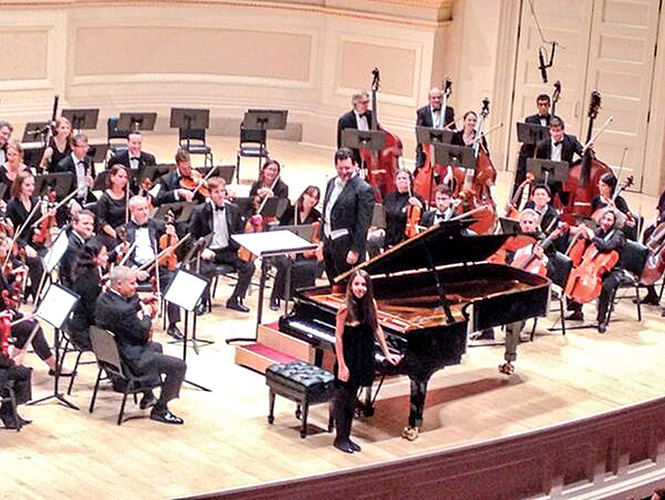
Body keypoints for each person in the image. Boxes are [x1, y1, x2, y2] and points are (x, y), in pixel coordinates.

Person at [95, 266, 187, 425]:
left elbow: (124, 308)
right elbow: (143, 333)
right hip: (129, 360)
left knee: (156, 347)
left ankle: (148, 395)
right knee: (179, 366)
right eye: (132, 283)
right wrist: (146, 314)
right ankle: (161, 409)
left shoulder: (104, 299)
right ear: (119, 284)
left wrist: (139, 302)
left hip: (112, 355)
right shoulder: (123, 311)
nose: (136, 286)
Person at [332, 270, 400, 453]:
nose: (360, 288)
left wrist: (387, 353)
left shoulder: (371, 304)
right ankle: (340, 439)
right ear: (350, 286)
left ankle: (346, 437)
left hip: (363, 354)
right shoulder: (344, 307)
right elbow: (338, 337)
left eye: (363, 285)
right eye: (357, 284)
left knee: (352, 398)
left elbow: (377, 328)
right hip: (349, 356)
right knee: (343, 398)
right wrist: (342, 366)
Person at [0, 232, 67, 378]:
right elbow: (5, 293)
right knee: (31, 328)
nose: (7, 248)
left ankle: (11, 363)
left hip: (5, 313)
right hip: (2, 318)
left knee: (30, 326)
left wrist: (12, 276)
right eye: (4, 245)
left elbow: (3, 287)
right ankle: (53, 366)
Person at [188, 177, 255, 313]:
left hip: (227, 251)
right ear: (209, 194)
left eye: (222, 191)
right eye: (216, 192)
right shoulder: (199, 211)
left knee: (249, 267)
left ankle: (235, 299)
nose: (220, 195)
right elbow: (191, 237)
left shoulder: (233, 209)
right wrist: (202, 250)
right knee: (207, 270)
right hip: (209, 251)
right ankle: (202, 301)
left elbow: (239, 231)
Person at [123, 196, 184, 338]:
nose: (145, 212)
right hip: (135, 269)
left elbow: (172, 240)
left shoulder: (156, 224)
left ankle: (173, 325)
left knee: (173, 281)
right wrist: (135, 271)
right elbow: (123, 257)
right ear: (132, 211)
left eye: (146, 208)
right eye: (140, 209)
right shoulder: (124, 230)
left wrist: (172, 232)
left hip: (156, 265)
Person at [496, 209, 546, 375]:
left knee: (516, 309)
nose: (527, 225)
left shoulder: (543, 243)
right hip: (514, 281)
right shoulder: (515, 242)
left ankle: (510, 353)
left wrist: (541, 258)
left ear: (536, 225)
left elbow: (552, 267)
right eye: (524, 222)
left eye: (531, 223)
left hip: (532, 286)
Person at [320, 148, 374, 282]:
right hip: (329, 243)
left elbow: (363, 224)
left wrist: (355, 250)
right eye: (340, 168)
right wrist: (322, 240)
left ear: (355, 165)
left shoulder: (363, 189)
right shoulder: (331, 183)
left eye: (347, 168)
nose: (344, 172)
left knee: (347, 285)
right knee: (333, 283)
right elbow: (326, 211)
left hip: (347, 246)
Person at [566, 210, 625, 332]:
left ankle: (601, 319)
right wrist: (583, 234)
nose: (605, 222)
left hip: (613, 270)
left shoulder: (618, 235)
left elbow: (607, 246)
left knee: (606, 287)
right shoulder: (598, 231)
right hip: (595, 266)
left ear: (615, 222)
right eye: (604, 219)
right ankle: (577, 311)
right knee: (573, 276)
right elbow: (587, 244)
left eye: (609, 220)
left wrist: (593, 237)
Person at [269, 186, 324, 310]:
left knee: (308, 266)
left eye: (315, 198)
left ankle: (300, 298)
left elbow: (317, 238)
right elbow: (280, 231)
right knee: (285, 264)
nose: (312, 200)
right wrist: (288, 249)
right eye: (310, 196)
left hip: (303, 250)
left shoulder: (316, 215)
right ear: (304, 195)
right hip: (283, 248)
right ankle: (275, 296)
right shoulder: (290, 210)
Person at [5, 171, 50, 299]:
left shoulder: (35, 201)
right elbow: (12, 233)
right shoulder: (12, 205)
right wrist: (25, 246)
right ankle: (37, 295)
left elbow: (38, 223)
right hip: (20, 243)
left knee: (49, 260)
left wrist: (48, 217)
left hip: (34, 241)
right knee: (36, 262)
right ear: (19, 186)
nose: (31, 188)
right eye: (27, 185)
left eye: (33, 185)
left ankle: (33, 288)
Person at [367, 168, 423, 256]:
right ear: (395, 181)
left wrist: (419, 205)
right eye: (399, 178)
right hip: (389, 233)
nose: (401, 180)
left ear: (410, 181)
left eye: (404, 178)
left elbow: (423, 218)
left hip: (406, 236)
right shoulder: (389, 197)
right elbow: (382, 215)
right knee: (372, 240)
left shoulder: (416, 198)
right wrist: (381, 228)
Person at [68, 239, 108, 350]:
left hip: (81, 324)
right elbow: (93, 311)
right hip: (85, 331)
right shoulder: (89, 278)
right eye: (104, 255)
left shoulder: (87, 271)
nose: (107, 257)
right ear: (94, 257)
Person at [512, 94, 554, 196]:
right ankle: (515, 202)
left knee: (542, 183)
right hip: (528, 153)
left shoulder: (554, 120)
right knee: (520, 181)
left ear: (549, 105)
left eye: (545, 105)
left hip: (543, 156)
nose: (543, 107)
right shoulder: (530, 119)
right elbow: (526, 138)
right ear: (537, 106)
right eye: (540, 105)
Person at [535, 117, 583, 204]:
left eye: (558, 131)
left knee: (565, 197)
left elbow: (582, 153)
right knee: (546, 192)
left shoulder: (571, 141)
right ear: (550, 131)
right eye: (553, 131)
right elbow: (538, 164)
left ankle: (565, 207)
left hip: (565, 176)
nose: (555, 134)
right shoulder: (542, 144)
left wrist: (588, 151)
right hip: (549, 176)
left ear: (563, 130)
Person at [54, 133, 96, 216]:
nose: (85, 150)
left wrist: (92, 183)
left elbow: (92, 184)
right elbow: (61, 192)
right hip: (71, 200)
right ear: (72, 147)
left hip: (86, 198)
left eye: (86, 146)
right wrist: (72, 202)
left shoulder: (89, 161)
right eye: (81, 147)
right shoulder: (63, 166)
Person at [415, 87, 456, 171]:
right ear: (429, 99)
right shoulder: (422, 112)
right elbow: (419, 134)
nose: (436, 100)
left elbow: (454, 131)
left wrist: (449, 132)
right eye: (434, 98)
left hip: (443, 150)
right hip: (427, 149)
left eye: (439, 97)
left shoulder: (448, 111)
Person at [591, 172, 636, 240]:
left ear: (610, 188)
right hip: (598, 232)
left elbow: (631, 223)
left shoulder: (619, 201)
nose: (600, 188)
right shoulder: (596, 199)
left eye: (603, 186)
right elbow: (592, 219)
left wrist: (615, 210)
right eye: (599, 185)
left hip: (613, 236)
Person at [58, 210, 96, 288]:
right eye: (85, 223)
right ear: (74, 224)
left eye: (91, 224)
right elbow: (73, 276)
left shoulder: (79, 242)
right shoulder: (71, 246)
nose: (89, 227)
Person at [96, 165, 129, 250]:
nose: (123, 180)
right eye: (120, 176)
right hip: (110, 234)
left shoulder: (128, 194)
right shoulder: (104, 198)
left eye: (125, 177)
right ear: (112, 177)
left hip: (125, 231)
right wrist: (116, 235)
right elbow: (102, 222)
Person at [336, 91, 373, 166]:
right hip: (354, 157)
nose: (366, 105)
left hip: (370, 158)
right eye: (363, 103)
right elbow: (342, 144)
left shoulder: (371, 115)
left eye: (367, 102)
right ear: (355, 104)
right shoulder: (345, 120)